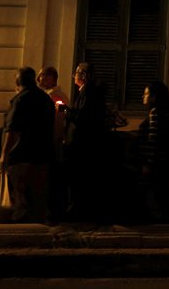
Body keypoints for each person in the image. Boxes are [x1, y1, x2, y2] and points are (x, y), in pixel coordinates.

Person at [0, 67, 55, 223]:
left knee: (21, 195)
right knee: (37, 196)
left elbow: (13, 130)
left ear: (18, 81)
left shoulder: (19, 100)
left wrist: (4, 154)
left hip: (21, 155)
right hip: (42, 154)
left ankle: (23, 226)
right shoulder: (46, 99)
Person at [63, 62, 109, 221]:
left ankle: (80, 211)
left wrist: (65, 112)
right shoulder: (89, 93)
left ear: (83, 76)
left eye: (76, 73)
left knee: (80, 180)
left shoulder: (88, 93)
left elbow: (82, 118)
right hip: (84, 144)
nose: (73, 76)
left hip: (82, 145)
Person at [138, 81, 169, 222]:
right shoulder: (167, 113)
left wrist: (147, 163)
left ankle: (168, 220)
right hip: (165, 161)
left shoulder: (155, 113)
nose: (143, 96)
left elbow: (153, 138)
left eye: (146, 94)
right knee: (163, 193)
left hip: (156, 162)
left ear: (154, 97)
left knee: (159, 193)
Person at [37, 65, 69, 221]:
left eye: (43, 75)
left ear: (52, 78)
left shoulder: (55, 96)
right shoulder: (47, 95)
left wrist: (56, 140)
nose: (39, 79)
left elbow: (59, 120)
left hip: (52, 143)